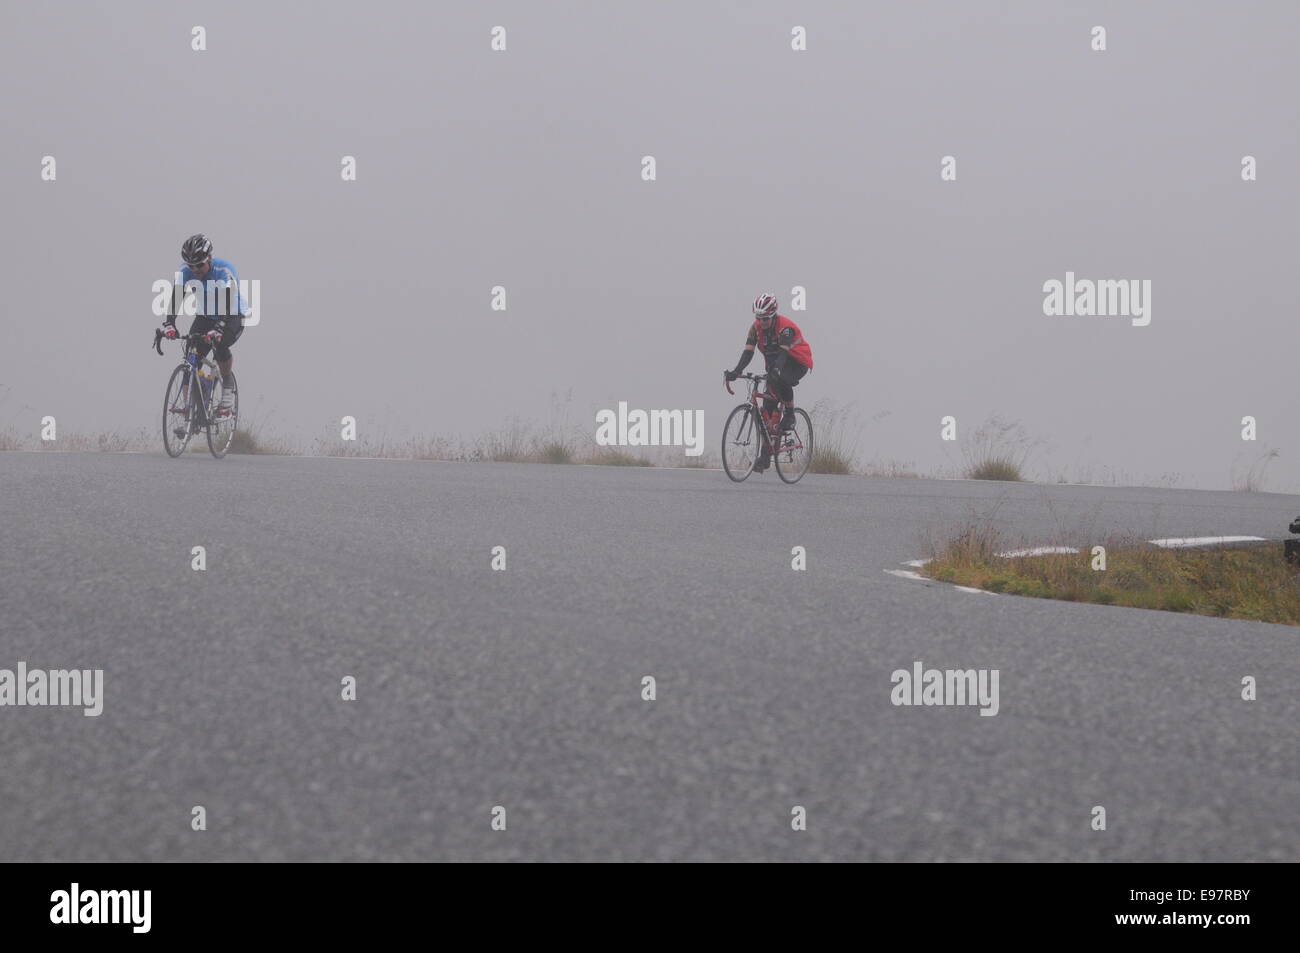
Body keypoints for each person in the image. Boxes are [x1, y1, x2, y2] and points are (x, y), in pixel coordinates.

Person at [724, 293, 814, 472]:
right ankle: (765, 456)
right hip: (775, 365)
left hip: (797, 362)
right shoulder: (755, 328)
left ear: (773, 315)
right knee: (766, 410)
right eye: (758, 318)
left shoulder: (785, 328)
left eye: (765, 318)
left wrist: (776, 371)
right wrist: (736, 371)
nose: (761, 322)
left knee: (781, 379)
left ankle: (789, 414)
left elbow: (783, 354)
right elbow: (748, 352)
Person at [159, 234, 245, 415]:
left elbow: (228, 301)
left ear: (210, 259)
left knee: (219, 343)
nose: (195, 270)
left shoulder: (224, 270)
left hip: (231, 314)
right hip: (206, 316)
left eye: (200, 265)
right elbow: (176, 297)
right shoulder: (185, 271)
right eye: (192, 266)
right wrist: (169, 323)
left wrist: (220, 327)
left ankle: (227, 384)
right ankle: (188, 405)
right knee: (191, 356)